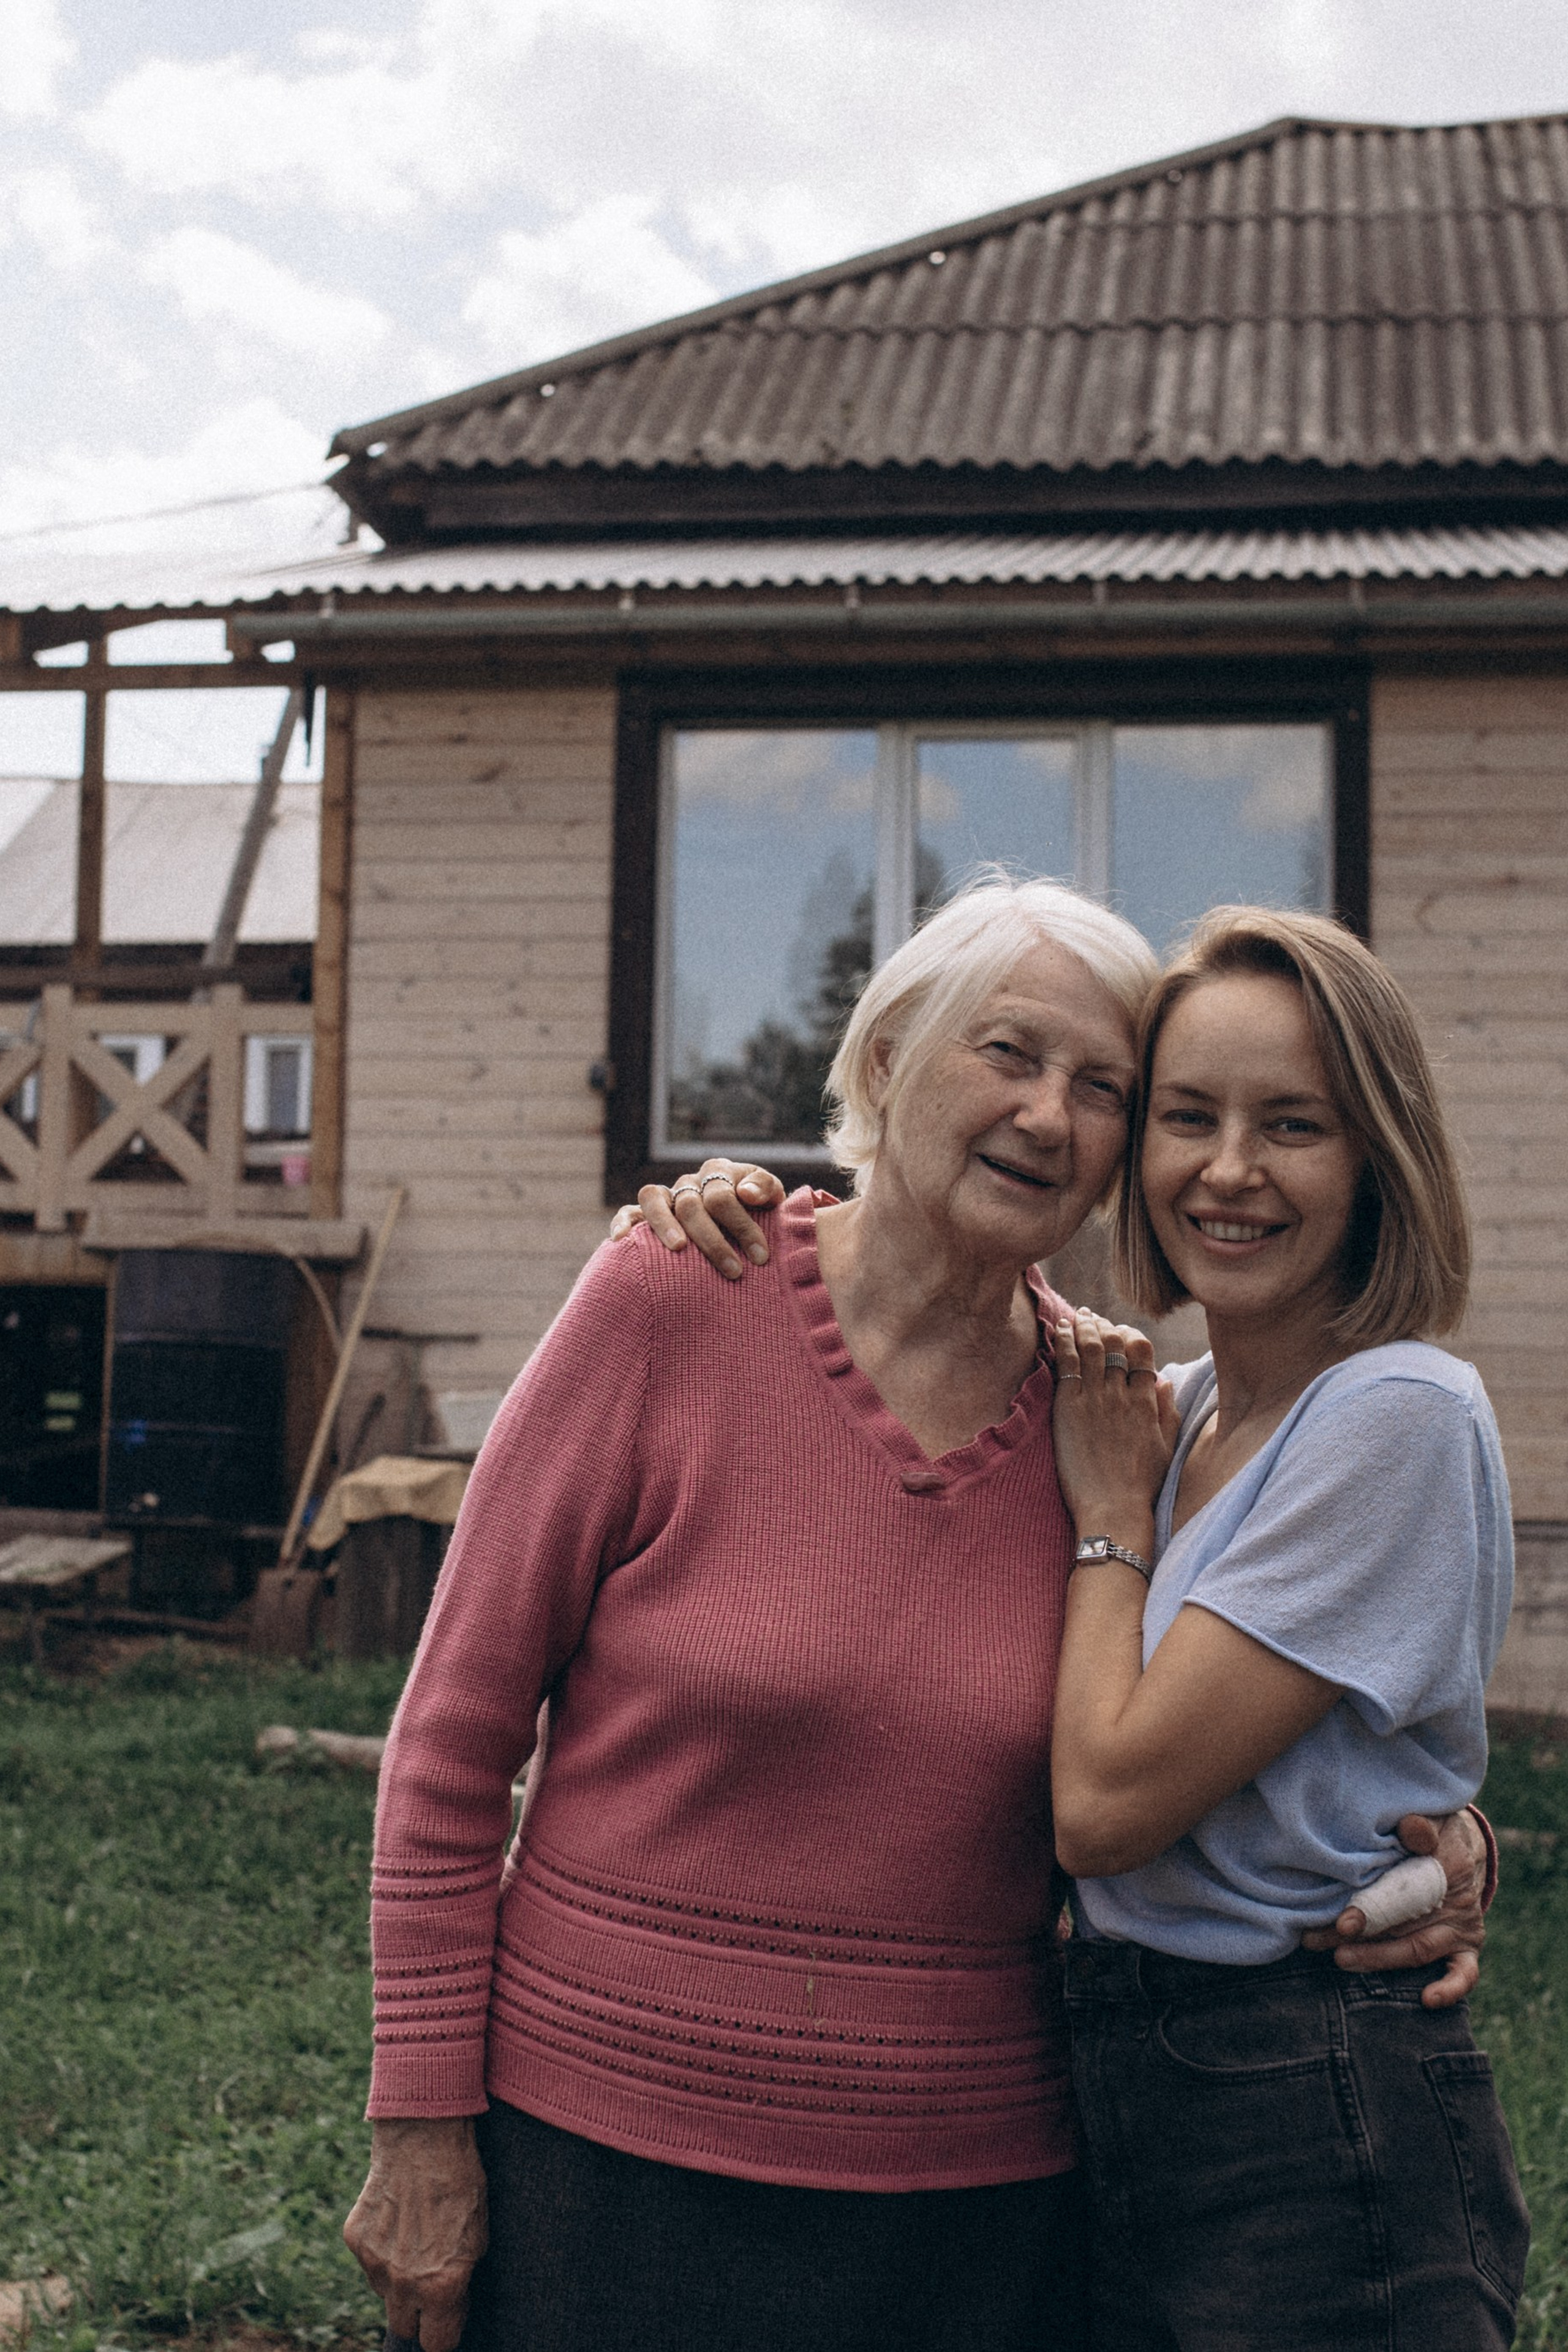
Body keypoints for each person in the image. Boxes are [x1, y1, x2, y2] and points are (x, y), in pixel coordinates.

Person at [345, 876, 1159, 2352]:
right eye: (1008, 1054)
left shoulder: (1117, 1420)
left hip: (968, 2219)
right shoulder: (670, 1296)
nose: (1049, 1114)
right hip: (595, 2172)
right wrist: (419, 2129)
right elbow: (452, 1745)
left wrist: (1439, 1842)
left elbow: (1225, 1740)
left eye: (1101, 1086)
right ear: (889, 1052)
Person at [1038, 906, 1529, 2347]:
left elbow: (1104, 1803)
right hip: (1120, 2078)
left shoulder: (1396, 1411)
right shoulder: (1175, 1410)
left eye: (1292, 1124)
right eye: (1185, 1116)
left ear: (1375, 1153)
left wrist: (1108, 1523)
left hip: (1313, 2111)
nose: (1227, 1170)